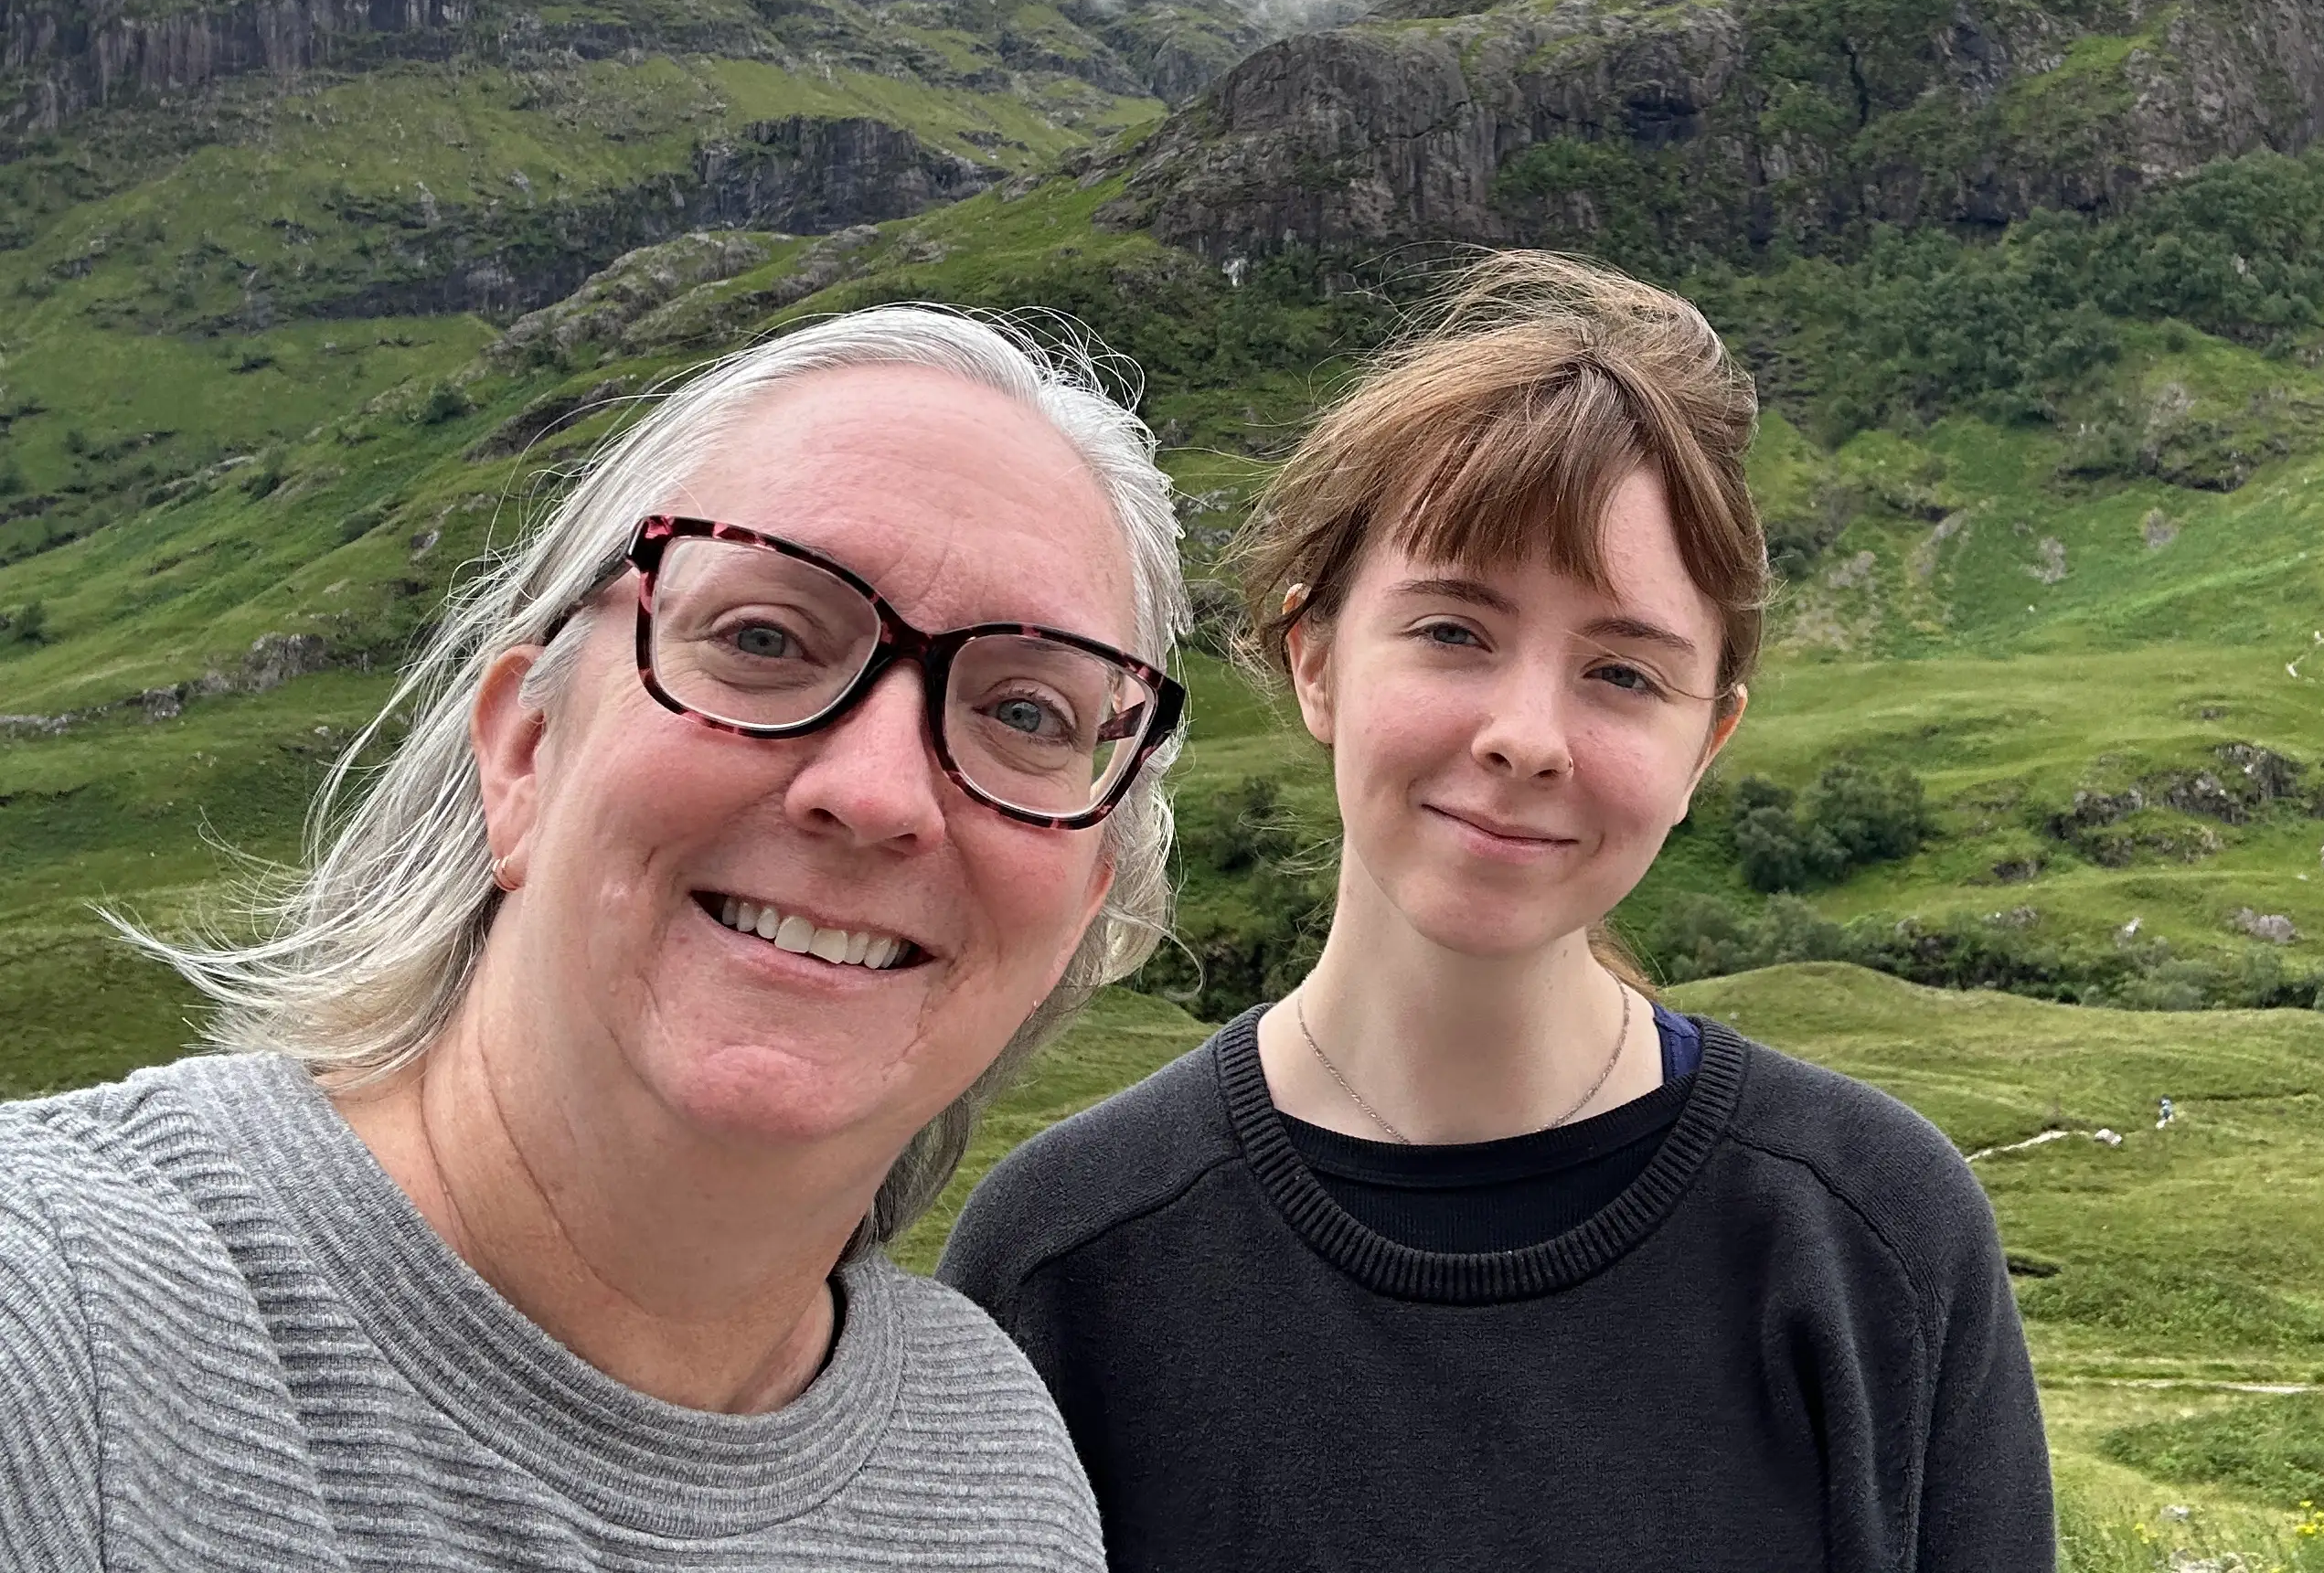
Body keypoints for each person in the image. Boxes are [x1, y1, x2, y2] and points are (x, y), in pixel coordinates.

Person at [0, 304, 1193, 1571]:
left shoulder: (990, 1474)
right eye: (766, 639)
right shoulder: (53, 1318)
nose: (880, 793)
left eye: (1027, 708)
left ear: (1084, 896)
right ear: (523, 750)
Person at [943, 253, 2056, 1573]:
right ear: (1314, 659)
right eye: (1455, 633)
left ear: (1708, 744)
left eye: (1624, 672)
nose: (1528, 736)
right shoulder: (1065, 1258)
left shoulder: (1877, 1234)